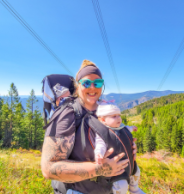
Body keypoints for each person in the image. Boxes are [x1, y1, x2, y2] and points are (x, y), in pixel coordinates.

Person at [41, 60, 138, 194]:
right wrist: (99, 169)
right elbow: (48, 168)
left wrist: (125, 146)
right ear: (77, 85)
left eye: (97, 83)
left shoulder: (105, 110)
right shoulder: (68, 114)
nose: (92, 87)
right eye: (86, 83)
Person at [67, 100, 144, 194]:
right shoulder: (103, 133)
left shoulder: (120, 127)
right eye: (114, 116)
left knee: (136, 172)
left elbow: (126, 128)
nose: (118, 118)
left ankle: (134, 189)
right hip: (117, 167)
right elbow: (100, 145)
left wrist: (132, 128)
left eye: (119, 115)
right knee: (122, 185)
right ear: (103, 120)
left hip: (129, 163)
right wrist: (99, 153)